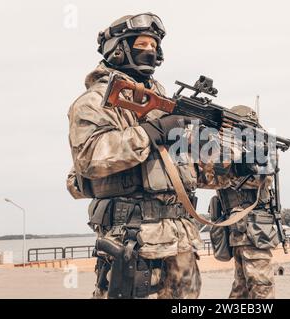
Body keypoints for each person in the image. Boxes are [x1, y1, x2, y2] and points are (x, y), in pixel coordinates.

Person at [66, 13, 203, 299]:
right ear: (118, 48)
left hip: (181, 244)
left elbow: (193, 173)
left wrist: (238, 160)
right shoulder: (93, 102)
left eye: (155, 47)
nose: (150, 52)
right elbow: (90, 157)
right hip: (135, 243)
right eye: (143, 44)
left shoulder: (166, 105)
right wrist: (153, 130)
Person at [209, 105, 279, 299]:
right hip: (237, 228)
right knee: (241, 287)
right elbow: (214, 177)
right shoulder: (229, 149)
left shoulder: (261, 151)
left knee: (260, 286)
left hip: (254, 227)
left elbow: (260, 179)